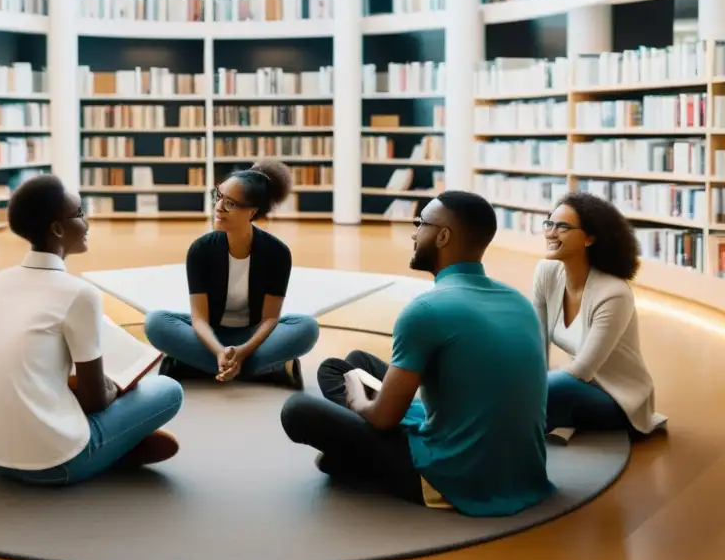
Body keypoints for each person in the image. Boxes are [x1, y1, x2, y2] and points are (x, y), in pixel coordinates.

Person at [280, 191, 555, 517]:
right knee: (352, 362)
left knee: (298, 409)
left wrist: (358, 402)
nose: (413, 232)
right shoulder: (517, 300)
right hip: (523, 471)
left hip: (456, 476)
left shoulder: (425, 310)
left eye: (419, 223)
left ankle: (353, 455)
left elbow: (383, 418)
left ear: (442, 236)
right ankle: (353, 445)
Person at [0, 174, 184, 486]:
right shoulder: (79, 294)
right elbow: (95, 401)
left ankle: (115, 445)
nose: (87, 222)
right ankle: (108, 449)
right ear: (57, 229)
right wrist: (117, 388)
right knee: (167, 391)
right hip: (53, 465)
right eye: (80, 214)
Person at [143, 160, 320, 390]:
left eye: (230, 204)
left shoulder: (277, 253)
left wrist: (243, 351)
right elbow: (199, 319)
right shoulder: (201, 249)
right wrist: (219, 351)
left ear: (252, 212)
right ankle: (264, 369)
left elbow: (269, 319)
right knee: (155, 322)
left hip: (253, 337)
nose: (218, 207)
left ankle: (193, 365)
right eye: (218, 197)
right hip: (210, 335)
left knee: (307, 328)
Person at [534, 191, 666, 438]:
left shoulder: (614, 293)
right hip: (579, 385)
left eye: (562, 227)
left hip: (618, 398)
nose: (551, 233)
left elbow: (582, 370)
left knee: (550, 389)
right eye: (549, 223)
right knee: (518, 379)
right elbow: (537, 342)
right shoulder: (546, 272)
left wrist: (530, 388)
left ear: (589, 238)